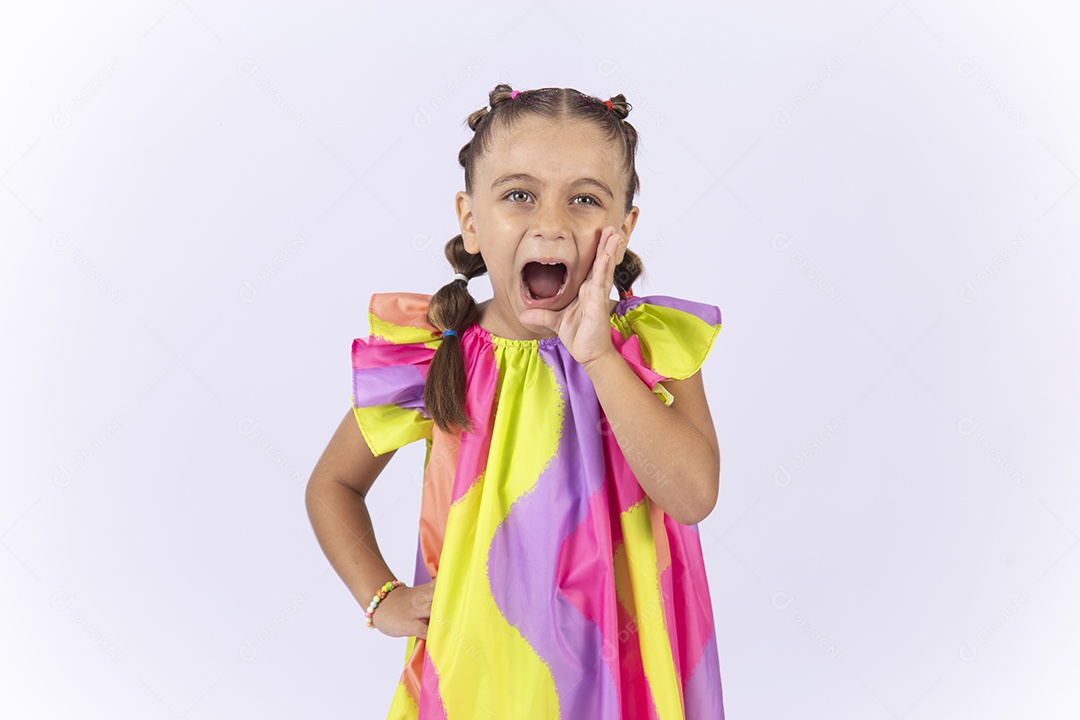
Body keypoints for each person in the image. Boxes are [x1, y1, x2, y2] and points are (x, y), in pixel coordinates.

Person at [306, 83, 726, 719]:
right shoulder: (439, 351)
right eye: (519, 195)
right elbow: (332, 484)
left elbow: (693, 496)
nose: (551, 223)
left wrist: (599, 356)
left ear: (623, 228)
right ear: (471, 221)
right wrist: (380, 597)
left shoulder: (651, 346)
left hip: (629, 672)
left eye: (585, 199)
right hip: (483, 677)